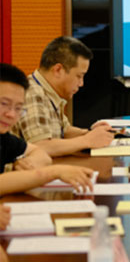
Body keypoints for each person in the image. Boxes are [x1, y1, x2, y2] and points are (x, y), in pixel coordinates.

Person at [0, 63, 94, 197]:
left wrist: (28, 164)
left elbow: (40, 152)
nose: (11, 114)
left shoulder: (4, 138)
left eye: (18, 108)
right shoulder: (36, 92)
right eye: (4, 104)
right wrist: (53, 172)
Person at [11, 36, 114, 157]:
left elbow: (63, 131)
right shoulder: (33, 93)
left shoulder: (49, 92)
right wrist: (87, 140)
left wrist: (90, 133)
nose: (81, 83)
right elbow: (41, 146)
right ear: (58, 70)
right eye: (79, 76)